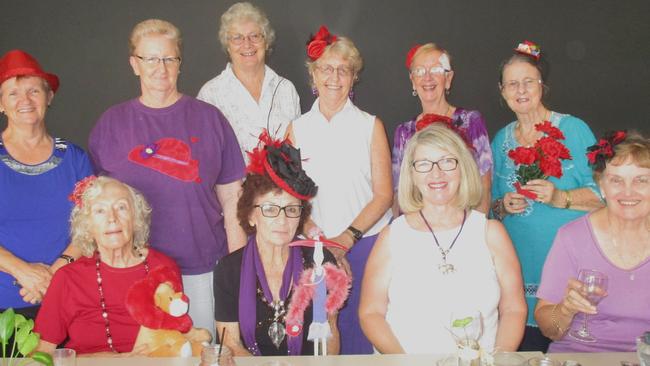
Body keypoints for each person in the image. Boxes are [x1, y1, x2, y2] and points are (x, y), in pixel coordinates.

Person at [89, 19, 246, 337]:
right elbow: (94, 208)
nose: (160, 68)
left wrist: (236, 270)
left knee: (204, 352)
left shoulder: (209, 119)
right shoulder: (111, 125)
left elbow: (233, 202)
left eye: (169, 58)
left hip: (202, 273)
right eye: (150, 59)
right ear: (134, 64)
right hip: (131, 272)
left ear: (179, 63)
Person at [360, 124, 526, 354]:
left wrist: (499, 358)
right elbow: (371, 313)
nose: (436, 173)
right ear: (412, 174)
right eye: (424, 164)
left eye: (447, 161)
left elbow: (513, 308)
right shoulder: (393, 237)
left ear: (463, 168)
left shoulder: (491, 233)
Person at [286, 25, 393, 354]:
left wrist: (348, 237)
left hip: (366, 244)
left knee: (367, 325)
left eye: (343, 70)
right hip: (315, 247)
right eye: (326, 69)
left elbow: (384, 194)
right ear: (313, 77)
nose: (334, 77)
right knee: (323, 330)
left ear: (353, 77)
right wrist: (311, 231)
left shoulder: (370, 125)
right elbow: (290, 194)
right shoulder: (296, 128)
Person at [490, 41, 603, 351]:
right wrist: (504, 205)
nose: (521, 89)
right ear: (502, 91)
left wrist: (560, 197)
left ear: (542, 85)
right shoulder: (500, 140)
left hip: (566, 266)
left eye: (528, 81)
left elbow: (604, 195)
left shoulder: (575, 129)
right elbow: (491, 209)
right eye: (512, 83)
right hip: (518, 268)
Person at [35, 176, 210, 355]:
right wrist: (98, 360)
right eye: (100, 211)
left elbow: (176, 332)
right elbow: (40, 354)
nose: (112, 218)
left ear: (136, 217)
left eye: (121, 207)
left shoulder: (164, 267)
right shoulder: (68, 278)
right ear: (87, 225)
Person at [213, 132, 342, 356]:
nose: (282, 220)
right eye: (270, 209)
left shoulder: (320, 263)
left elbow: (329, 335)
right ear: (251, 215)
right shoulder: (228, 270)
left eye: (291, 209)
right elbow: (231, 344)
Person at [535, 131, 650, 352]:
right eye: (616, 180)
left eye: (641, 180)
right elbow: (549, 329)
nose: (628, 191)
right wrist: (566, 309)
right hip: (581, 356)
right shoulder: (572, 237)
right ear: (602, 187)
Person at [0, 49, 92, 319]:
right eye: (13, 93)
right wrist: (23, 272)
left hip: (67, 299)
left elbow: (91, 226)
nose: (25, 100)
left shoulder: (75, 158)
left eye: (34, 91)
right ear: (1, 103)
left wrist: (52, 276)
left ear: (49, 97)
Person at [392, 43, 493, 214]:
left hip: (464, 225)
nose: (428, 77)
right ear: (413, 81)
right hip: (420, 228)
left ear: (448, 78)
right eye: (420, 71)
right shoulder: (404, 132)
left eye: (436, 70)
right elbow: (399, 195)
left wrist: (474, 231)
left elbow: (484, 187)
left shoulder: (471, 122)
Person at [197, 2, 300, 162]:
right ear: (228, 46)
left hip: (283, 187)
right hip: (232, 187)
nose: (247, 44)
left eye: (255, 36)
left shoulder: (286, 89)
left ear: (266, 42)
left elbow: (297, 151)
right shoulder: (210, 94)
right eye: (237, 37)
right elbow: (205, 158)